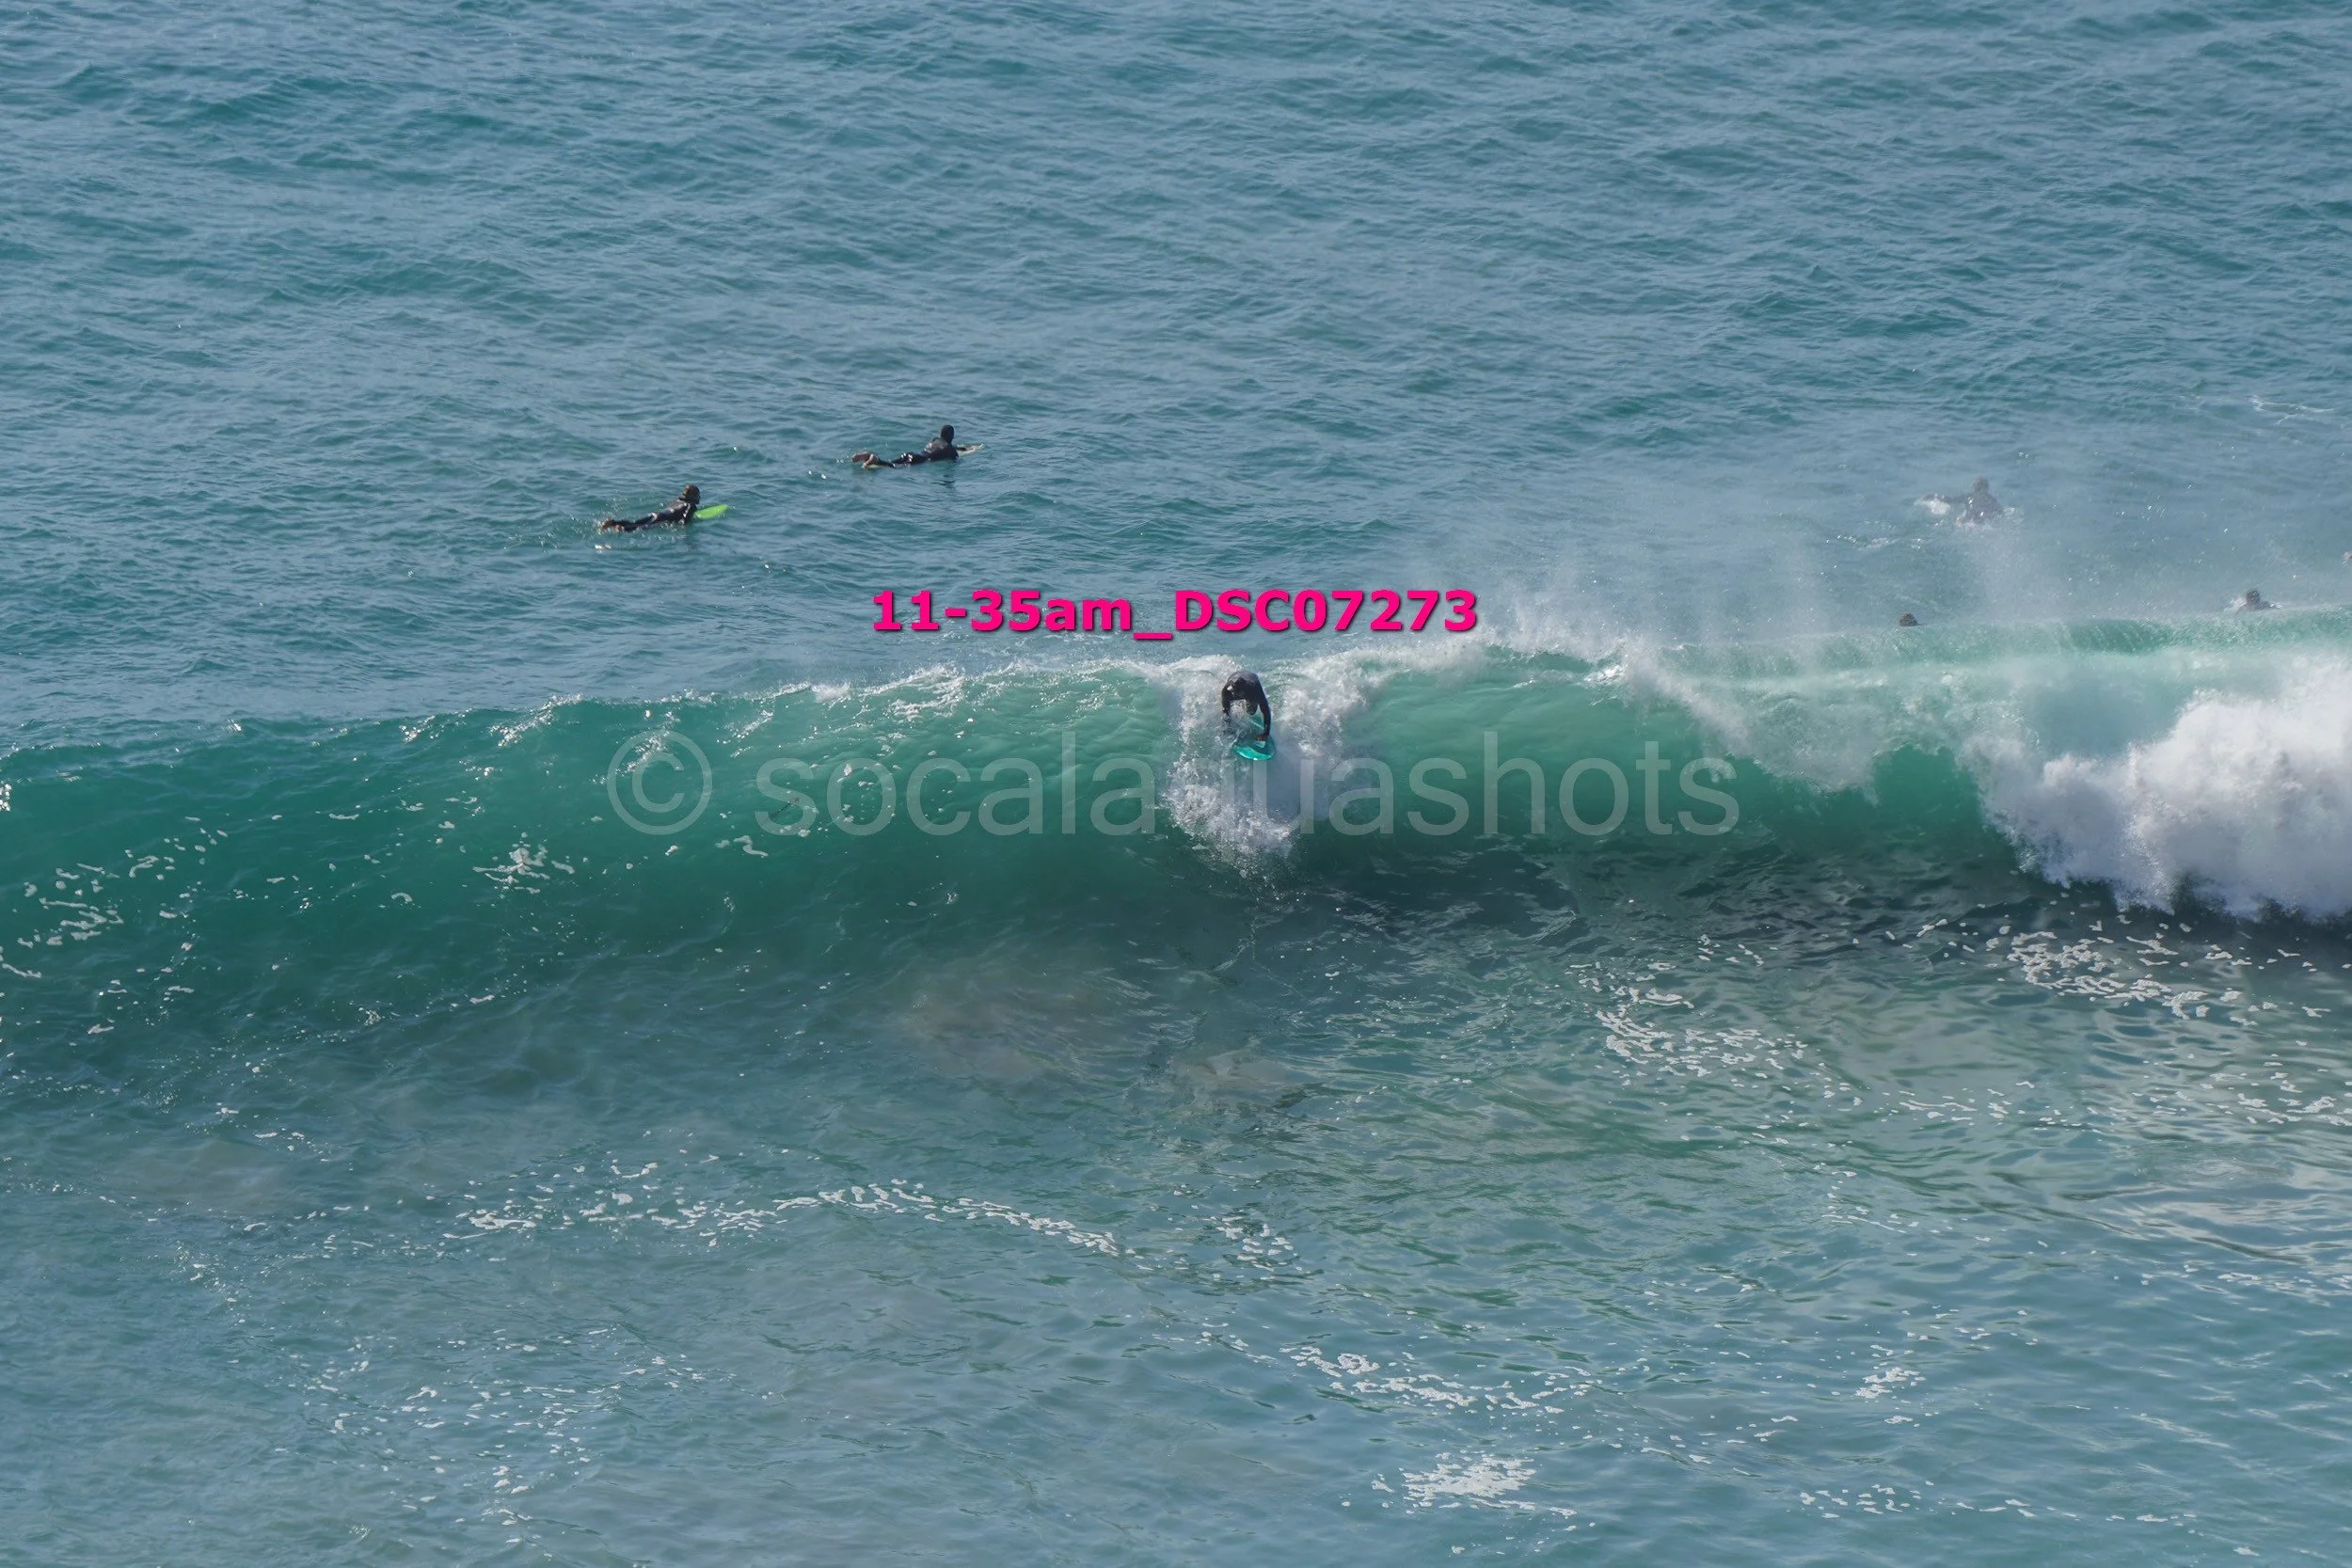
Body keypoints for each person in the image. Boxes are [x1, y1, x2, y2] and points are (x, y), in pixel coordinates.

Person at [599, 484, 700, 533]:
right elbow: (685, 519)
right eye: (698, 495)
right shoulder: (691, 505)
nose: (699, 497)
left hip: (656, 514)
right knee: (642, 527)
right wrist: (682, 527)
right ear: (694, 496)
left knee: (636, 522)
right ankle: (622, 529)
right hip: (663, 519)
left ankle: (613, 523)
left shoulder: (678, 500)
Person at [852, 424, 960, 468]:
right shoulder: (950, 450)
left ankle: (867, 457)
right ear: (952, 436)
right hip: (920, 460)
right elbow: (954, 458)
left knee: (892, 462)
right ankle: (875, 459)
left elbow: (944, 449)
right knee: (895, 467)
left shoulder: (935, 440)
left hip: (912, 454)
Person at [1221, 671, 1272, 739]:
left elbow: (1266, 710)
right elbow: (1225, 711)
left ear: (1243, 691)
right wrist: (1228, 727)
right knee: (1228, 702)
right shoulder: (1227, 691)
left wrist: (1266, 733)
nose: (1233, 694)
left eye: (1236, 692)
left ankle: (1248, 704)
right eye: (1233, 691)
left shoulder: (1254, 688)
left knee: (1251, 712)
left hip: (1251, 677)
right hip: (1235, 675)